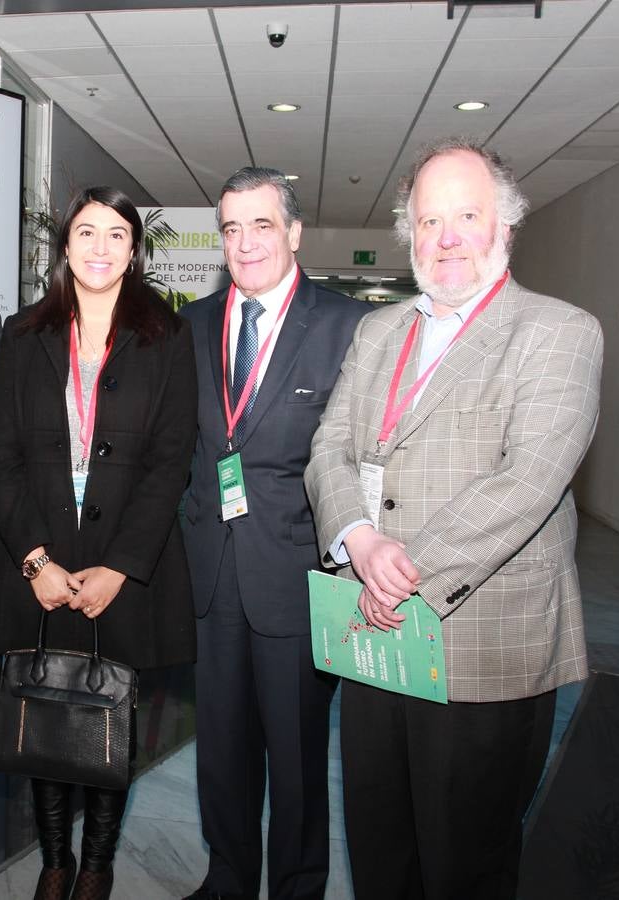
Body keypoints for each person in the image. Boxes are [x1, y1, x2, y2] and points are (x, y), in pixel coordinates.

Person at [305, 137, 603, 900]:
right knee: (380, 850)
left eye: (466, 215)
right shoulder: (379, 331)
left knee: (464, 866)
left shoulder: (558, 331)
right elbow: (330, 445)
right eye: (429, 221)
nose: (447, 238)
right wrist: (360, 540)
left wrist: (401, 573)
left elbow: (528, 481)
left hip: (483, 650)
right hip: (375, 639)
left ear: (505, 224)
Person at [0, 185, 197, 900]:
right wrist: (36, 561)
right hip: (40, 561)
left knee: (110, 713)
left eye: (115, 234)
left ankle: (97, 863)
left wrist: (121, 567)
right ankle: (54, 861)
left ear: (133, 250)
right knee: (46, 707)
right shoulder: (21, 335)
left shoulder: (167, 337)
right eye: (86, 233)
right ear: (65, 245)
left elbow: (172, 461)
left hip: (125, 569)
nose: (100, 247)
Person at [178, 167, 368, 900]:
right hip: (212, 575)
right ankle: (227, 876)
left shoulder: (348, 326)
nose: (246, 241)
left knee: (294, 756)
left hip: (296, 576)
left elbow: (361, 457)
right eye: (231, 228)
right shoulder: (190, 325)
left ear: (292, 233)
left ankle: (296, 886)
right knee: (220, 752)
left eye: (262, 225)